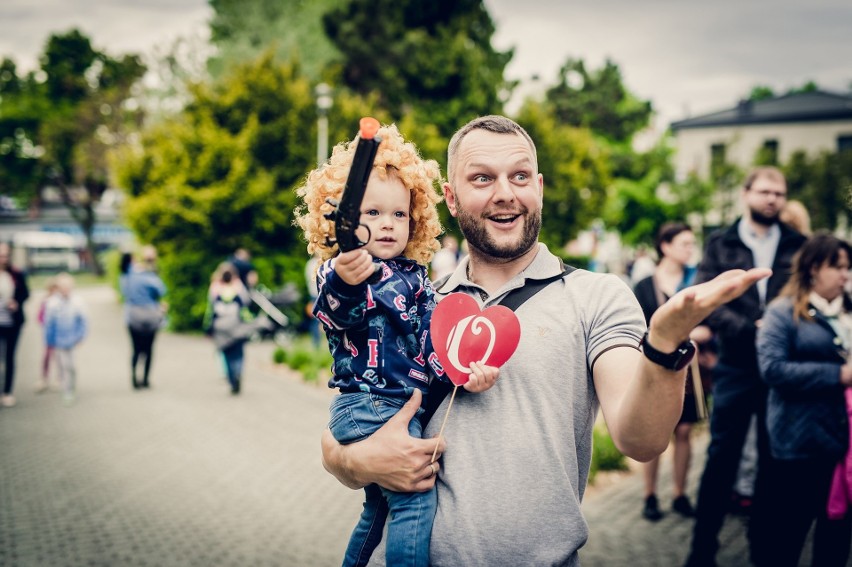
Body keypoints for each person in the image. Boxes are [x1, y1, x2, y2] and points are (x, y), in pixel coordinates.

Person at [320, 115, 770, 566]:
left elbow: (642, 440)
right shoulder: (420, 302)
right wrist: (357, 463)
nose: (505, 192)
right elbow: (345, 425)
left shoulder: (596, 296)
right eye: (482, 178)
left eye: (519, 176)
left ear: (539, 187)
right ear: (452, 200)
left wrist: (665, 341)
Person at [295, 122, 499, 567]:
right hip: (368, 403)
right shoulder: (346, 269)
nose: (387, 224)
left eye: (399, 214)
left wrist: (467, 374)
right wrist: (346, 280)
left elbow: (430, 350)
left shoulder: (416, 279)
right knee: (414, 499)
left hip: (396, 404)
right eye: (371, 214)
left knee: (379, 509)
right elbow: (334, 311)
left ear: (417, 219)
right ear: (345, 221)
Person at [684, 166, 806, 567]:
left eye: (779, 192)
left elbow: (805, 298)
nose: (772, 198)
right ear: (747, 193)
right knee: (722, 457)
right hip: (736, 365)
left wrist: (775, 329)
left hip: (780, 369)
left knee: (774, 459)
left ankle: (763, 547)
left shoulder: (797, 244)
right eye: (765, 191)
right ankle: (702, 549)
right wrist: (749, 330)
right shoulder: (722, 243)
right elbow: (704, 299)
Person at [755, 232, 852, 567]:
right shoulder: (783, 312)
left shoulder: (849, 311)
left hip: (844, 446)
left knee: (836, 538)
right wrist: (838, 375)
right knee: (788, 537)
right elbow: (773, 370)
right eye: (836, 267)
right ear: (812, 267)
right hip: (800, 443)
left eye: (848, 267)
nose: (845, 275)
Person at [632, 222, 703, 521]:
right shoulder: (644, 286)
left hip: (689, 368)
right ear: (666, 247)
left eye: (691, 244)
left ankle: (679, 493)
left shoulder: (696, 281)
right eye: (684, 244)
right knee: (654, 432)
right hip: (654, 366)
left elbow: (710, 322)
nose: (690, 249)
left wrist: (703, 334)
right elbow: (635, 327)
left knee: (684, 431)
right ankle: (649, 495)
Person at [204, 262, 262, 395]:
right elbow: (245, 308)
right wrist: (250, 322)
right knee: (239, 354)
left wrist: (208, 327)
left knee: (226, 354)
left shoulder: (215, 288)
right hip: (237, 326)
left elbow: (211, 310)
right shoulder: (238, 287)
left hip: (221, 329)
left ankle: (231, 379)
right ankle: (238, 373)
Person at [121, 246, 167, 390]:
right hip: (150, 315)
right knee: (148, 349)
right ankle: (146, 379)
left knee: (135, 349)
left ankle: (134, 378)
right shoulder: (149, 276)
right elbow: (161, 290)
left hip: (132, 316)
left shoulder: (127, 276)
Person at [44, 272, 87, 405]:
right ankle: (67, 390)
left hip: (72, 339)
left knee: (72, 366)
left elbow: (83, 321)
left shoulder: (77, 302)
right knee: (63, 365)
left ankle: (71, 387)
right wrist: (49, 340)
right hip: (59, 341)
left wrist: (80, 336)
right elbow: (49, 323)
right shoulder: (52, 303)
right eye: (63, 287)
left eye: (68, 287)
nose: (65, 290)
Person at [0, 241, 30, 408]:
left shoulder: (16, 273)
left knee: (9, 357)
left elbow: (26, 293)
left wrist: (16, 302)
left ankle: (7, 392)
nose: (3, 258)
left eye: (5, 255)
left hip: (12, 322)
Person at [36, 277, 60, 393]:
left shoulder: (61, 301)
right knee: (47, 355)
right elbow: (40, 317)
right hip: (48, 333)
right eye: (52, 289)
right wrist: (45, 323)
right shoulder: (45, 301)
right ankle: (44, 378)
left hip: (60, 333)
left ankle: (59, 378)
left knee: (59, 356)